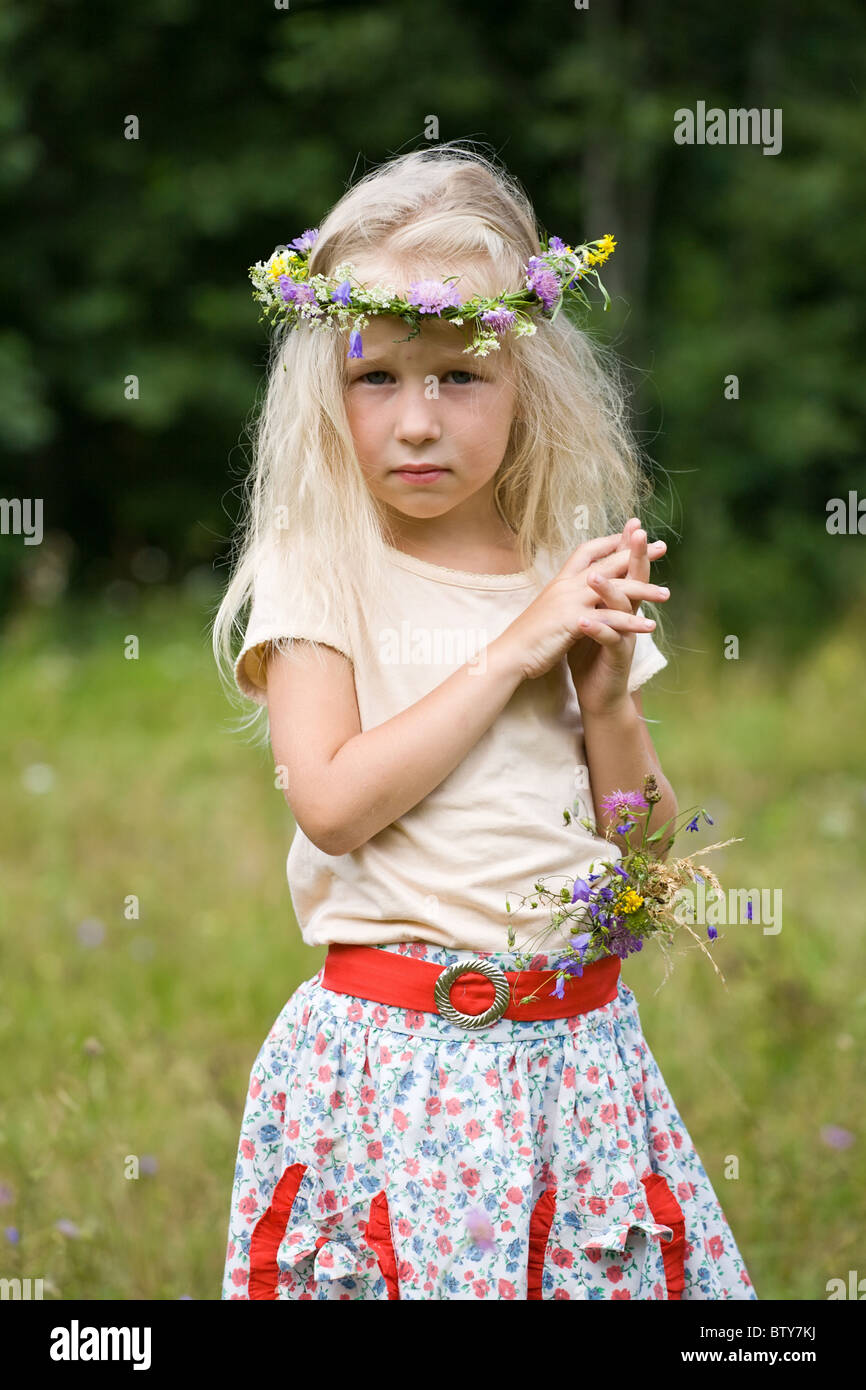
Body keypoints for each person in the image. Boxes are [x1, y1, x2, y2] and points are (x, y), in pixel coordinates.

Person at [212, 141, 757, 1300]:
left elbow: (644, 847)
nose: (418, 420)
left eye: (460, 377)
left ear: (528, 388)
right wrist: (516, 652)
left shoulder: (562, 573)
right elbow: (334, 803)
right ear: (327, 389)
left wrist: (605, 700)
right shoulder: (321, 572)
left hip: (579, 1061)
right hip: (403, 1066)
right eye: (377, 378)